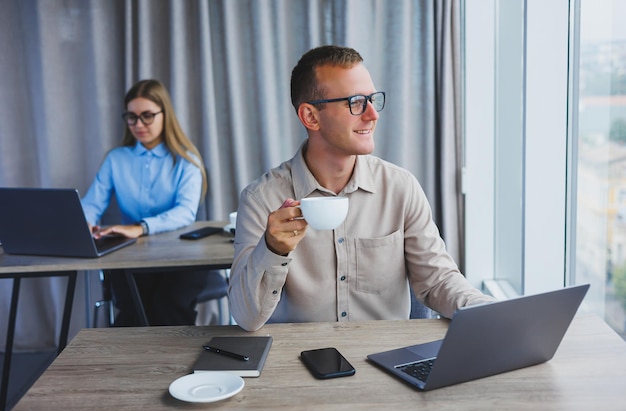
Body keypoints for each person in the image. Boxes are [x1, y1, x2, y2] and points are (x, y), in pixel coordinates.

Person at [228, 45, 494, 331]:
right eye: (355, 102)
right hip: (296, 364)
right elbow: (246, 317)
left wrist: (494, 312)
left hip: (386, 360)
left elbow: (439, 281)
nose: (372, 115)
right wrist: (272, 249)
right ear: (311, 117)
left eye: (372, 100)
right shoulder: (261, 199)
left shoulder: (400, 188)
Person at [82, 79, 210, 326]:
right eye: (132, 117)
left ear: (165, 115)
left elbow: (185, 213)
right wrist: (85, 222)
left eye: (147, 116)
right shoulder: (116, 159)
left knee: (167, 309)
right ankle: (130, 365)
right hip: (132, 255)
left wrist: (140, 227)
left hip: (183, 257)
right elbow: (92, 203)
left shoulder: (186, 161)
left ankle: (173, 364)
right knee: (132, 312)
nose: (138, 124)